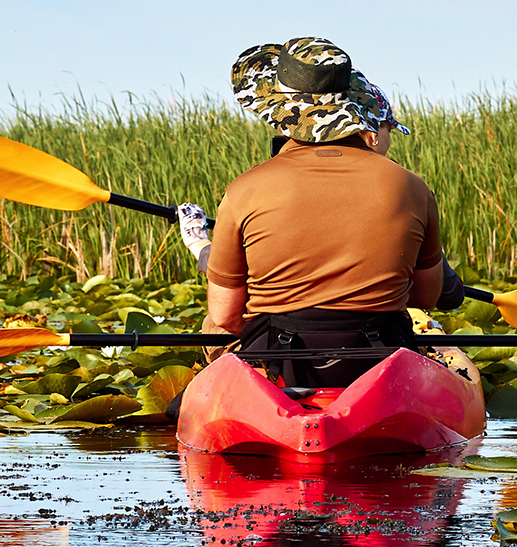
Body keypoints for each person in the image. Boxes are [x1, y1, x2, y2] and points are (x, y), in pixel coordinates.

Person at [197, 37, 456, 388]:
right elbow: (426, 297)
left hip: (279, 363)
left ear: (278, 113)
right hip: (379, 359)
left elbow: (226, 316)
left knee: (212, 324)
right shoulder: (411, 186)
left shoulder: (243, 189)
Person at [176, 82, 466, 309]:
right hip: (375, 341)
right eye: (389, 129)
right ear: (372, 133)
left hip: (279, 346)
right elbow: (438, 296)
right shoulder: (411, 188)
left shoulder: (248, 186)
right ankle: (201, 246)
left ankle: (200, 244)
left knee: (218, 317)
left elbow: (226, 311)